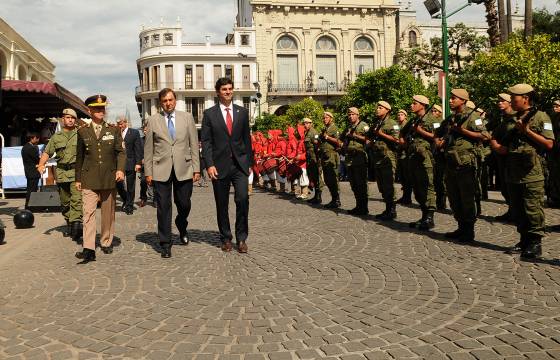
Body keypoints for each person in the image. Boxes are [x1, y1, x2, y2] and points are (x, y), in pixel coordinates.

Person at [490, 84, 554, 259]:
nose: (511, 100)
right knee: (517, 209)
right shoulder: (511, 119)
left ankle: (535, 243)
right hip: (513, 170)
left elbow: (549, 144)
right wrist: (497, 146)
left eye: (514, 97)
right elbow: (498, 138)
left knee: (532, 208)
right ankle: (524, 239)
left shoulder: (541, 117)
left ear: (525, 98)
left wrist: (526, 131)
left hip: (532, 171)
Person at [144, 88, 200, 259]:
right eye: (164, 101)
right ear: (160, 103)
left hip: (184, 168)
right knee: (163, 208)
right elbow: (148, 149)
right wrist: (148, 172)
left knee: (184, 204)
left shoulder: (187, 118)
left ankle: (181, 224)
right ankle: (165, 243)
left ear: (175, 100)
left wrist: (197, 168)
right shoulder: (153, 121)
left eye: (170, 100)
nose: (168, 103)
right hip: (161, 169)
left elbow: (194, 143)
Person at [201, 78, 252, 253]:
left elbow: (247, 140)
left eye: (230, 88)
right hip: (219, 166)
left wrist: (249, 163)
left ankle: (242, 238)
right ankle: (226, 238)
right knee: (222, 204)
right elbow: (206, 142)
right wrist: (209, 165)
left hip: (239, 166)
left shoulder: (242, 112)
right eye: (224, 89)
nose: (228, 91)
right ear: (218, 92)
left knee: (243, 199)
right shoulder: (209, 114)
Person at [75, 95, 125, 263]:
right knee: (88, 213)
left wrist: (120, 169)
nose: (100, 111)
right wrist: (78, 178)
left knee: (107, 213)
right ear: (89, 111)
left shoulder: (113, 130)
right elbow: (79, 157)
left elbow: (120, 152)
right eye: (97, 109)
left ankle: (105, 241)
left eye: (102, 108)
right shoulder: (82, 131)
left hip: (108, 177)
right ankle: (88, 248)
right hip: (89, 178)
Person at [435, 89, 488, 243]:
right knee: (454, 196)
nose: (450, 101)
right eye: (450, 98)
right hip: (450, 162)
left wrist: (462, 130)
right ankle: (460, 227)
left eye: (453, 98)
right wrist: (438, 142)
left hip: (466, 163)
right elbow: (437, 134)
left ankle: (469, 231)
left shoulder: (473, 116)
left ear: (463, 100)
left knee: (467, 197)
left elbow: (484, 135)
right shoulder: (451, 118)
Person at [37, 109, 83, 240]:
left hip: (77, 172)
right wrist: (41, 164)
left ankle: (76, 225)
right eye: (67, 117)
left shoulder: (81, 134)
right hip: (62, 172)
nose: (70, 120)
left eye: (73, 118)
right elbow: (47, 152)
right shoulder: (56, 137)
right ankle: (69, 221)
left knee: (77, 199)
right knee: (65, 202)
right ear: (63, 119)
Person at [402, 95, 437, 230]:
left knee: (427, 186)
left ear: (422, 105)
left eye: (414, 103)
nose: (411, 105)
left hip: (425, 158)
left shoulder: (432, 119)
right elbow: (403, 133)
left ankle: (430, 218)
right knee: (417, 188)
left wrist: (420, 131)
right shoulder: (413, 120)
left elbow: (437, 137)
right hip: (413, 157)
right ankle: (423, 215)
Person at [368, 102, 400, 219]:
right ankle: (387, 209)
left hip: (388, 158)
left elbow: (396, 140)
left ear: (387, 110)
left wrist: (381, 134)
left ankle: (392, 210)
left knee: (388, 185)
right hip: (377, 158)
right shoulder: (377, 123)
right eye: (377, 107)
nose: (377, 109)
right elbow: (370, 136)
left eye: (380, 108)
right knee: (381, 185)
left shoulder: (393, 123)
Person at [488, 93, 516, 221]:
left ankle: (517, 213)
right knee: (505, 187)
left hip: (512, 156)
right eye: (498, 100)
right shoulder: (500, 117)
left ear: (510, 102)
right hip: (500, 156)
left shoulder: (516, 117)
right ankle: (512, 210)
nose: (499, 103)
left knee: (513, 187)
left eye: (502, 101)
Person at [342, 107, 369, 215]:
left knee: (361, 184)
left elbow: (368, 140)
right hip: (350, 159)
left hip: (359, 158)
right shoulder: (348, 127)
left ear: (358, 115)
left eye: (353, 114)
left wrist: (354, 136)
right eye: (349, 114)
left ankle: (364, 208)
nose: (351, 116)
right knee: (354, 184)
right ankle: (358, 206)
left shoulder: (364, 125)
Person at [116, 117, 143, 215]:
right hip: (119, 164)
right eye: (118, 124)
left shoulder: (134, 133)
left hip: (131, 163)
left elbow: (138, 149)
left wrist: (138, 163)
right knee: (118, 185)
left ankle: (129, 206)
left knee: (131, 186)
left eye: (121, 123)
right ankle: (126, 199)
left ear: (126, 123)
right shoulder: (116, 133)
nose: (120, 126)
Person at [318, 111, 341, 208]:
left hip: (332, 156)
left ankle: (336, 200)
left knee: (333, 179)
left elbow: (339, 141)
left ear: (331, 118)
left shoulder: (334, 128)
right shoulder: (325, 129)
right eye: (323, 118)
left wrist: (327, 137)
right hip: (325, 156)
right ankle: (333, 199)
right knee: (327, 180)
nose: (324, 119)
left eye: (326, 117)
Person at [431, 104, 447, 210]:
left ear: (440, 113)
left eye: (435, 111)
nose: (433, 112)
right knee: (435, 179)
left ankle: (442, 202)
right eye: (432, 110)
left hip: (440, 153)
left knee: (441, 179)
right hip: (433, 152)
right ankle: (437, 201)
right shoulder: (431, 121)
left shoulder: (441, 122)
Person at [395, 109, 412, 205]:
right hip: (399, 153)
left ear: (405, 116)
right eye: (398, 114)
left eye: (402, 114)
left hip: (405, 154)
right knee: (402, 177)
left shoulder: (407, 125)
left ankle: (407, 197)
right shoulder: (397, 125)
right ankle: (405, 196)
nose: (399, 116)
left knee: (407, 177)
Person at [303, 118, 322, 204]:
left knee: (316, 177)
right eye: (304, 123)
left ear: (311, 123)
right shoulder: (306, 132)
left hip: (314, 158)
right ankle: (315, 196)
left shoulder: (313, 132)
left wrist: (317, 159)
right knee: (312, 177)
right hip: (309, 158)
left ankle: (318, 197)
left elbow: (317, 146)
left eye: (307, 123)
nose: (305, 125)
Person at [546, 99, 560, 208]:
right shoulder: (552, 118)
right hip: (553, 150)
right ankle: (554, 197)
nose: (555, 108)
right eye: (554, 105)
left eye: (557, 105)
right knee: (553, 175)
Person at [22, 132, 41, 209]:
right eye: (37, 138)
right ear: (32, 138)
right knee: (32, 190)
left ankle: (30, 205)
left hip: (29, 171)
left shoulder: (25, 147)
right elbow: (37, 159)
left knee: (31, 189)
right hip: (32, 172)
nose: (38, 140)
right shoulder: (31, 148)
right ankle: (30, 206)